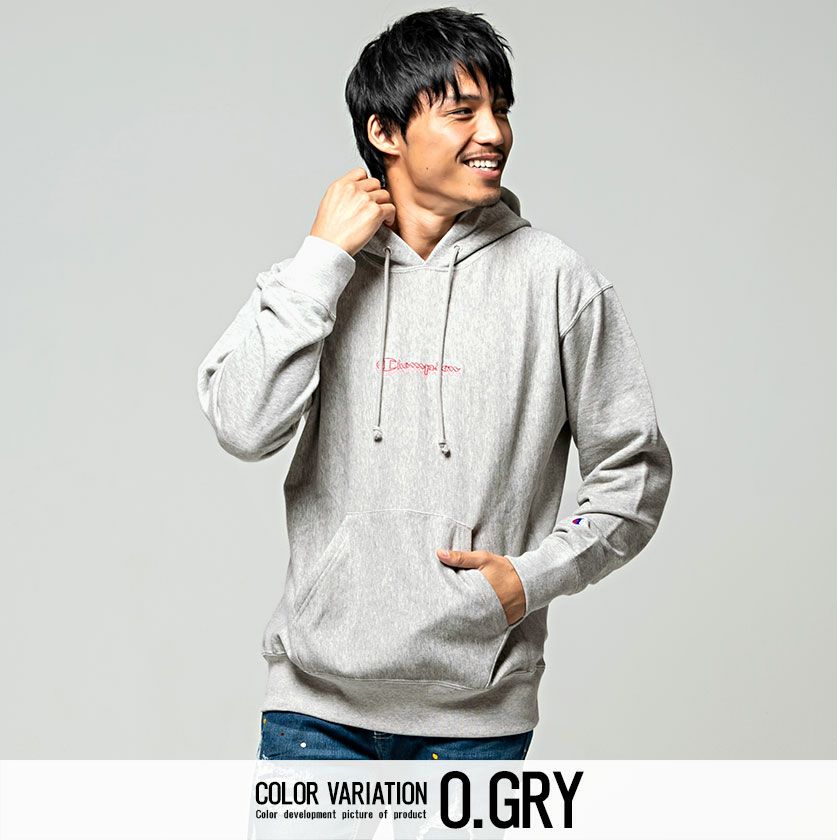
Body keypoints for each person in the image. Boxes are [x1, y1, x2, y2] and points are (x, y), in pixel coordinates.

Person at [197, 7, 673, 762]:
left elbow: (634, 477)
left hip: (476, 721)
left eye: (501, 110)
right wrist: (321, 259)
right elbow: (241, 423)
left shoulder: (556, 281)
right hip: (312, 714)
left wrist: (530, 579)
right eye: (463, 112)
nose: (494, 134)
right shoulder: (316, 278)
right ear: (385, 131)